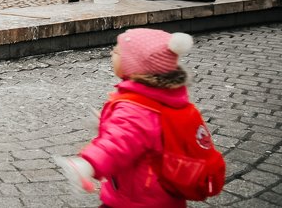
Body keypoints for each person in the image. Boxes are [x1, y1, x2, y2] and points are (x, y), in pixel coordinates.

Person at [55, 29, 217, 208]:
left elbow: (118, 143)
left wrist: (87, 165)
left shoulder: (137, 109)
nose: (111, 52)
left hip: (136, 200)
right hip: (163, 195)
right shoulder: (161, 98)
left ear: (136, 66)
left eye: (116, 51)